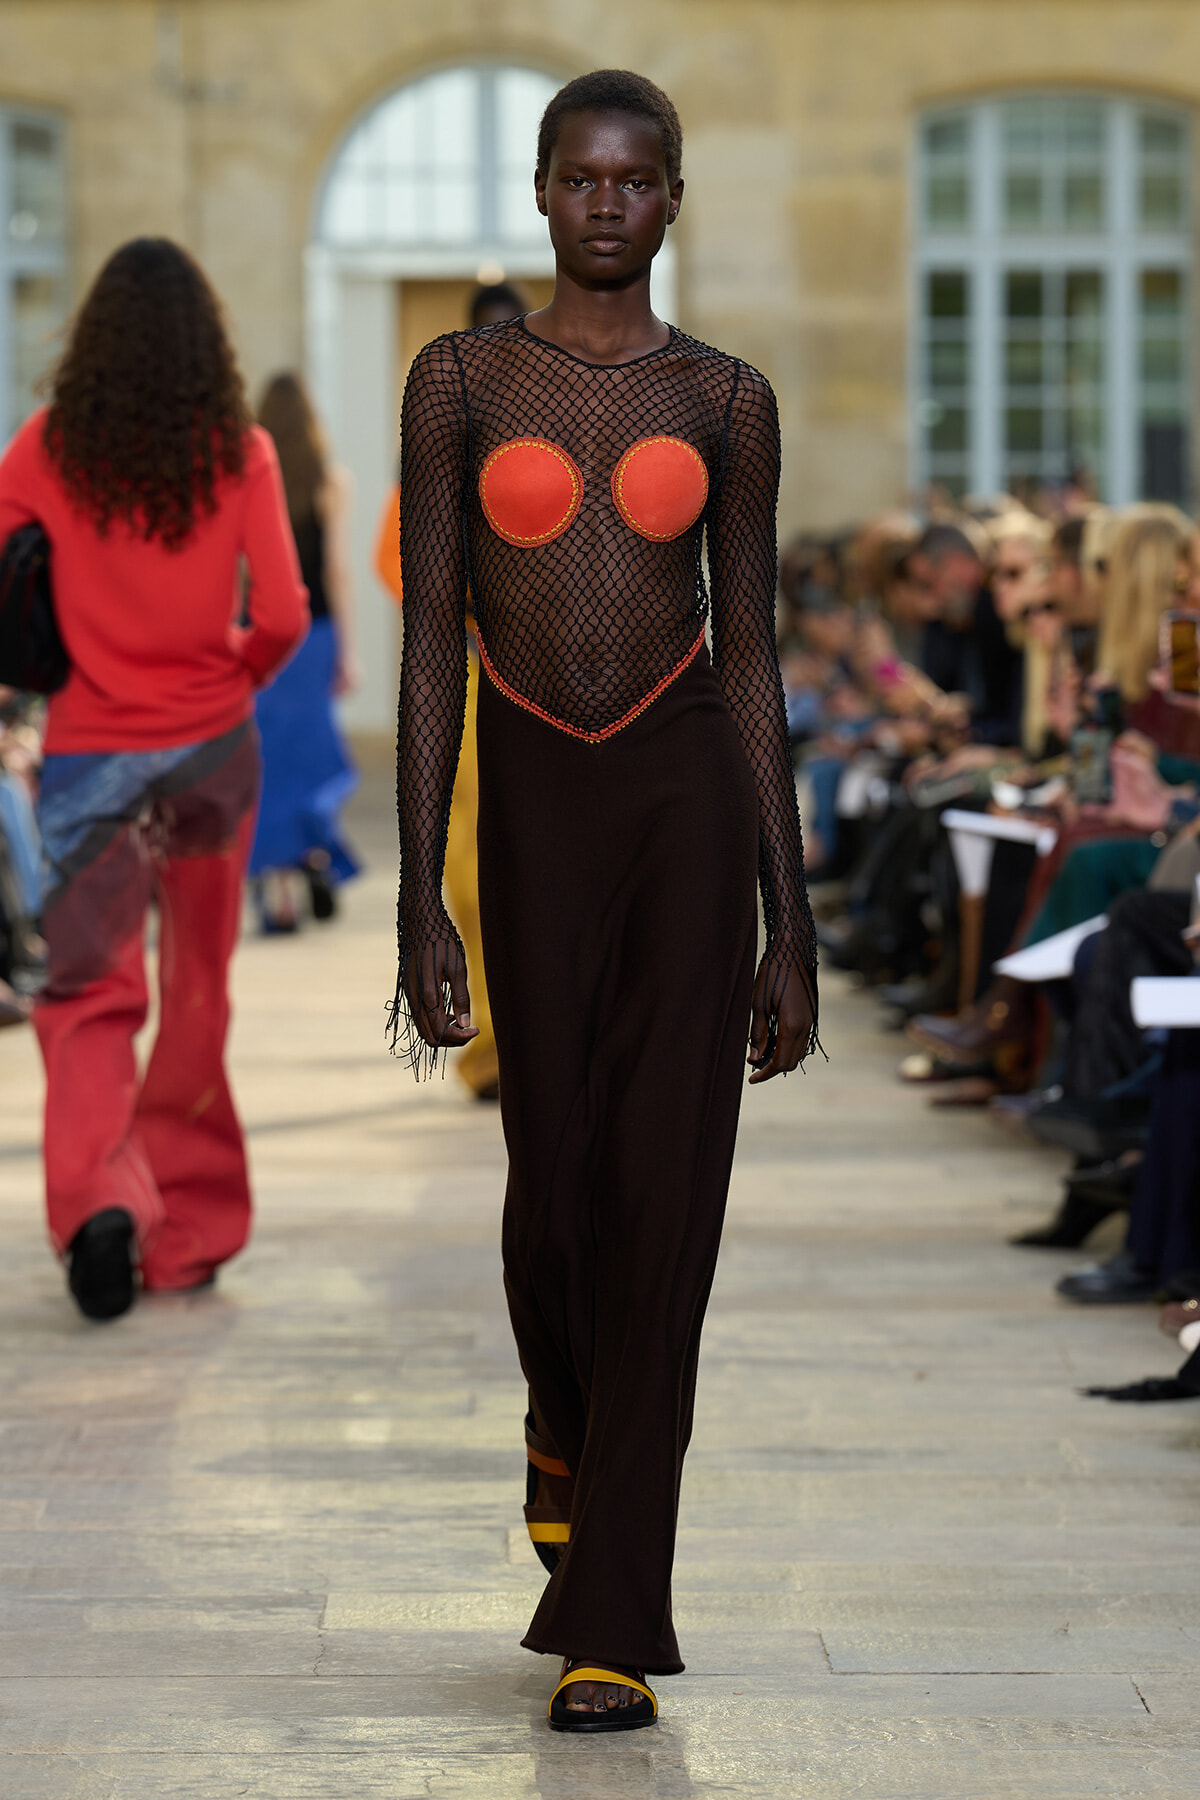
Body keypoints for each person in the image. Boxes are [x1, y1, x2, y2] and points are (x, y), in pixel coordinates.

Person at [389, 70, 818, 1730]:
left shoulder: (729, 396)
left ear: (674, 199)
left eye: (637, 181)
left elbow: (760, 658)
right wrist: (422, 894)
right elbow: (436, 638)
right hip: (538, 807)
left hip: (687, 799)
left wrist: (794, 916)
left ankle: (613, 1615)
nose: (607, 204)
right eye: (579, 178)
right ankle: (561, 1427)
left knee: (665, 1196)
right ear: (544, 193)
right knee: (550, 1186)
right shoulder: (461, 380)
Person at [0, 238, 307, 1322]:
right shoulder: (242, 452)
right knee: (197, 985)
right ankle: (189, 1230)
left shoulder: (42, 449)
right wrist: (227, 670)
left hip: (88, 756)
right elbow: (280, 617)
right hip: (210, 754)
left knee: (90, 994)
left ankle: (96, 1205)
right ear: (204, 347)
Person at [373, 282, 530, 1100]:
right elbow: (399, 558)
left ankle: (513, 1044)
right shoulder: (453, 430)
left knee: (491, 855)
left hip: (511, 665)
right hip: (489, 666)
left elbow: (395, 559)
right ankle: (503, 1045)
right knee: (481, 857)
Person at [250, 373, 360, 932]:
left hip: (262, 637)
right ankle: (315, 852)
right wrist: (349, 650)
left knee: (268, 763)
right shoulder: (329, 481)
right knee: (314, 758)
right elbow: (336, 571)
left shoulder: (247, 478)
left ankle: (279, 893)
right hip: (314, 633)